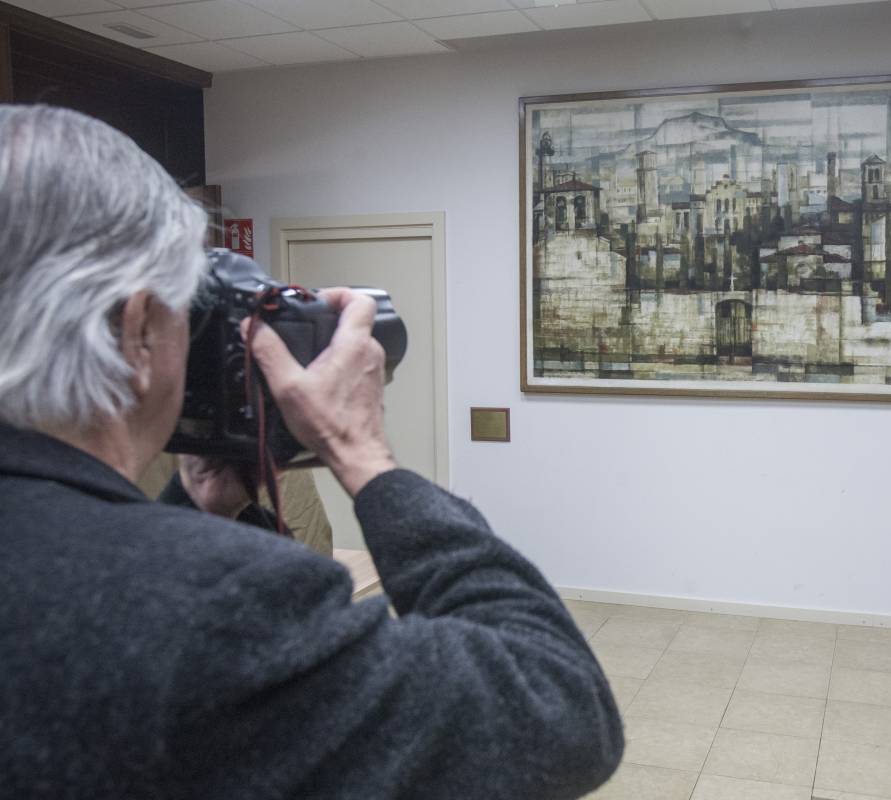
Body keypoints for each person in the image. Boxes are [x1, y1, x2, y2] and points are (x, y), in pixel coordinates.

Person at [0, 105, 623, 799]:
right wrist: (364, 457)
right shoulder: (217, 600)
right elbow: (558, 713)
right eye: (188, 314)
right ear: (139, 328)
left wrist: (194, 508)